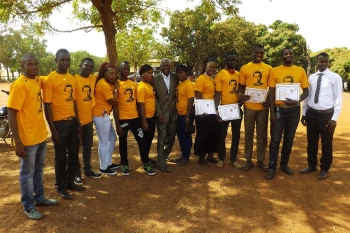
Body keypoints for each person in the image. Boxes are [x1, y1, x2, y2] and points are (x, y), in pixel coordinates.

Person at [8, 54, 57, 220]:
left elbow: (52, 77)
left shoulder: (37, 80)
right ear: (23, 66)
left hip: (40, 135)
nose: (34, 67)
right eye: (30, 64)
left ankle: (39, 198)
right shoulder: (20, 85)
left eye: (36, 64)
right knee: (27, 174)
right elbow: (11, 113)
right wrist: (18, 142)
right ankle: (28, 206)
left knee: (39, 170)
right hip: (27, 140)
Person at [43, 49, 85, 200]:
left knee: (73, 154)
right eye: (62, 60)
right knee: (60, 157)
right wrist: (53, 130)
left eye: (68, 60)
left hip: (72, 121)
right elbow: (47, 106)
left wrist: (78, 124)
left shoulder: (72, 78)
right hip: (59, 124)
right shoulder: (50, 79)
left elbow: (73, 102)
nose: (66, 62)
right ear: (56, 60)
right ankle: (60, 186)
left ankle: (69, 182)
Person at [265, 48, 309, 180]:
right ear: (282, 56)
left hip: (294, 111)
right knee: (275, 140)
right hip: (278, 109)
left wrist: (297, 100)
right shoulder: (275, 70)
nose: (288, 55)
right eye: (285, 54)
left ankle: (284, 164)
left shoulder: (300, 70)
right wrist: (272, 112)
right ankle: (271, 167)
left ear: (293, 56)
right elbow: (271, 92)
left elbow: (306, 92)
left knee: (289, 139)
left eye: (290, 53)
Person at [300, 52, 342, 180]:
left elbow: (338, 99)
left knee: (326, 143)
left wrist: (334, 119)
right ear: (316, 62)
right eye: (321, 61)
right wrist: (304, 112)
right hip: (312, 114)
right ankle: (311, 164)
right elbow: (307, 96)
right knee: (311, 142)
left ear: (328, 63)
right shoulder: (312, 77)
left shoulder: (335, 78)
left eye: (326, 62)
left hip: (326, 115)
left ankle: (324, 168)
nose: (323, 64)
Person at [114, 61, 156, 176]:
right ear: (119, 69)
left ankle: (146, 163)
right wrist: (117, 125)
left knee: (141, 141)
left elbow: (139, 103)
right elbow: (115, 106)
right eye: (124, 69)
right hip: (123, 119)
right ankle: (124, 164)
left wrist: (142, 120)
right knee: (123, 143)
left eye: (128, 69)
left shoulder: (132, 83)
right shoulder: (116, 85)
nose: (126, 71)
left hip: (135, 118)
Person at [238, 44, 273, 172]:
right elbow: (241, 86)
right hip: (249, 106)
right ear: (252, 52)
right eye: (257, 52)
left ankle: (260, 160)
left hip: (263, 108)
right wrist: (241, 95)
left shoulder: (268, 68)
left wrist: (268, 101)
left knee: (262, 134)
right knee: (248, 133)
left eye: (261, 53)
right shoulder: (245, 68)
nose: (259, 55)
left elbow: (271, 88)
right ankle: (248, 160)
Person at [74, 58, 102, 184]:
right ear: (80, 65)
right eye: (86, 66)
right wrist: (78, 123)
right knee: (75, 149)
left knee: (87, 147)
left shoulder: (92, 79)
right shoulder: (74, 80)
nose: (88, 68)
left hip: (88, 120)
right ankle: (76, 174)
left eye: (91, 67)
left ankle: (87, 170)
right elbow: (73, 102)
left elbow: (102, 74)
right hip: (76, 121)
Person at [215, 52, 243, 169]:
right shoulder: (220, 74)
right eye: (230, 60)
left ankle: (233, 159)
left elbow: (242, 90)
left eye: (234, 60)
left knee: (236, 135)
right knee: (222, 135)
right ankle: (221, 158)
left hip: (236, 108)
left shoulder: (239, 74)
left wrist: (241, 101)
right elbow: (217, 94)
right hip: (224, 108)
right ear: (226, 61)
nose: (232, 62)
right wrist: (216, 111)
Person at [150, 58, 179, 173]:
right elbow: (154, 97)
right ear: (160, 67)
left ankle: (164, 154)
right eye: (163, 66)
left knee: (171, 136)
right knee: (162, 137)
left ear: (171, 66)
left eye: (167, 65)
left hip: (173, 113)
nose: (166, 68)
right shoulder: (155, 79)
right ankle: (161, 162)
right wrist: (159, 113)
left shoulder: (175, 77)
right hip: (161, 113)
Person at [92, 62, 119, 176]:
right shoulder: (103, 84)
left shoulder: (108, 84)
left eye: (115, 73)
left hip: (105, 115)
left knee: (112, 138)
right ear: (105, 73)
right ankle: (103, 167)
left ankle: (108, 162)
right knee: (103, 142)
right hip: (100, 115)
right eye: (111, 73)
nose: (113, 75)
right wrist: (117, 89)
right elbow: (113, 101)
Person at [194, 56, 219, 167]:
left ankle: (210, 155)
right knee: (203, 134)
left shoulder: (212, 79)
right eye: (210, 67)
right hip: (203, 112)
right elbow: (198, 96)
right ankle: (201, 157)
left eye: (214, 68)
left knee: (212, 133)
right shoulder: (201, 79)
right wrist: (202, 111)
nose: (212, 69)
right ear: (206, 67)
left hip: (211, 111)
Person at [174, 64, 195, 166]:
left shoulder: (189, 84)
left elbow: (191, 100)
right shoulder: (179, 84)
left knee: (186, 135)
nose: (180, 74)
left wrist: (187, 116)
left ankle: (186, 157)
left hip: (186, 115)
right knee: (180, 135)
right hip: (178, 114)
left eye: (182, 72)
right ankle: (183, 155)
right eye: (178, 72)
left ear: (186, 73)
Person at [137, 64, 156, 162]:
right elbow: (140, 105)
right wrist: (144, 121)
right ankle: (145, 160)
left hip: (151, 117)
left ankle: (146, 158)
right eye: (148, 73)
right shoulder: (141, 87)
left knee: (149, 139)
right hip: (146, 118)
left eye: (152, 73)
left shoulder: (149, 85)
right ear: (142, 74)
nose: (150, 75)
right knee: (145, 141)